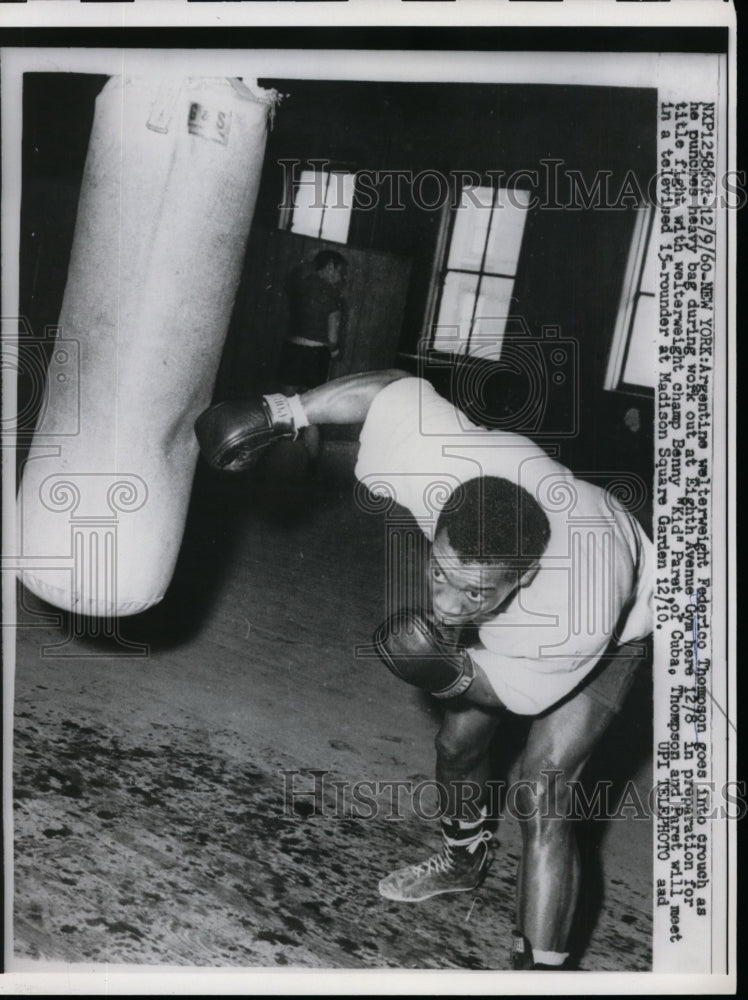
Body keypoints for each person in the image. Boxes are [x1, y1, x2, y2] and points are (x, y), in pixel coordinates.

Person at [194, 369, 654, 970]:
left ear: (523, 580)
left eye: (472, 593)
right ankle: (465, 858)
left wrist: (449, 673)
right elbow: (389, 391)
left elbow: (511, 692)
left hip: (622, 614)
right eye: (440, 573)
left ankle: (540, 974)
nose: (444, 606)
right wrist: (282, 409)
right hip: (530, 574)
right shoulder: (441, 466)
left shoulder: (574, 612)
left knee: (542, 790)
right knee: (457, 745)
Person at [276, 249, 347, 461]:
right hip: (316, 356)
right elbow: (333, 338)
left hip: (292, 351)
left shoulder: (299, 285)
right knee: (311, 413)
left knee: (283, 409)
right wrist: (334, 350)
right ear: (330, 267)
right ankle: (312, 467)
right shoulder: (333, 296)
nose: (341, 277)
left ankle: (278, 462)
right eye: (340, 271)